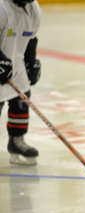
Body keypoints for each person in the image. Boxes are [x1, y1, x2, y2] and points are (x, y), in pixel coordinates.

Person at [0, 0, 41, 165]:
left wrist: (31, 61)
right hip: (2, 61)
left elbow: (31, 38)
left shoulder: (34, 9)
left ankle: (17, 141)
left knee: (22, 99)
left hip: (16, 62)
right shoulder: (2, 7)